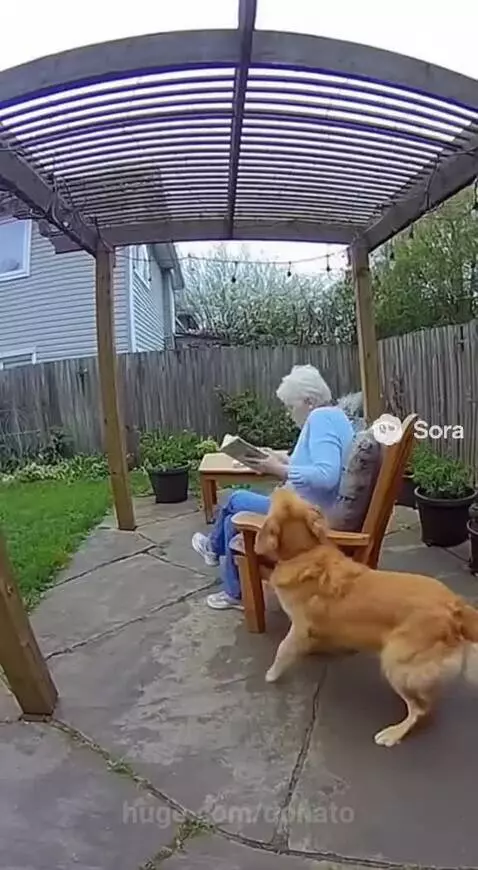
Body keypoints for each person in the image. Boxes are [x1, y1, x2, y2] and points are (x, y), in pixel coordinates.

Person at [192, 364, 354, 611]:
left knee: (236, 499)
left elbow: (326, 475)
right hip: (308, 508)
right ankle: (233, 591)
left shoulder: (320, 419)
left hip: (305, 515)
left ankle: (213, 551)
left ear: (309, 401)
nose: (290, 414)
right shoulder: (336, 417)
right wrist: (279, 458)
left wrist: (277, 469)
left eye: (291, 406)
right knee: (232, 520)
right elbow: (318, 462)